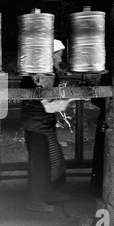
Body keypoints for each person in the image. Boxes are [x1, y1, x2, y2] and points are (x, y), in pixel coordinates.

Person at [20, 40, 72, 213]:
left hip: (41, 125)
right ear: (51, 55)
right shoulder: (43, 75)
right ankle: (35, 201)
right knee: (40, 165)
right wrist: (75, 97)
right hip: (37, 126)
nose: (60, 60)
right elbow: (50, 106)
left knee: (55, 161)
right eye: (59, 56)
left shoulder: (44, 72)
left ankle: (48, 193)